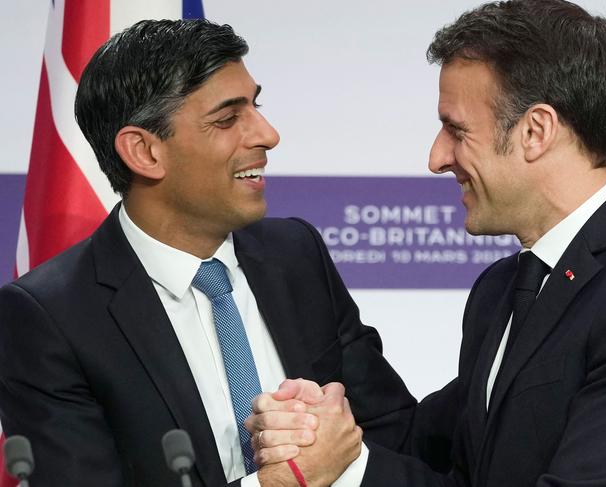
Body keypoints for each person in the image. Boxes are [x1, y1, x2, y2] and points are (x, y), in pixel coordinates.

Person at [0, 19, 416, 487]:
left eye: (255, 106)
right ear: (144, 152)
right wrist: (282, 481)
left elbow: (396, 432)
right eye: (227, 118)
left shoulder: (296, 253)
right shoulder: (50, 317)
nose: (268, 134)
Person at [248, 0, 606, 485]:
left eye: (456, 130)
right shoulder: (501, 290)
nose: (437, 158)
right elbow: (445, 462)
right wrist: (326, 441)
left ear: (535, 131)